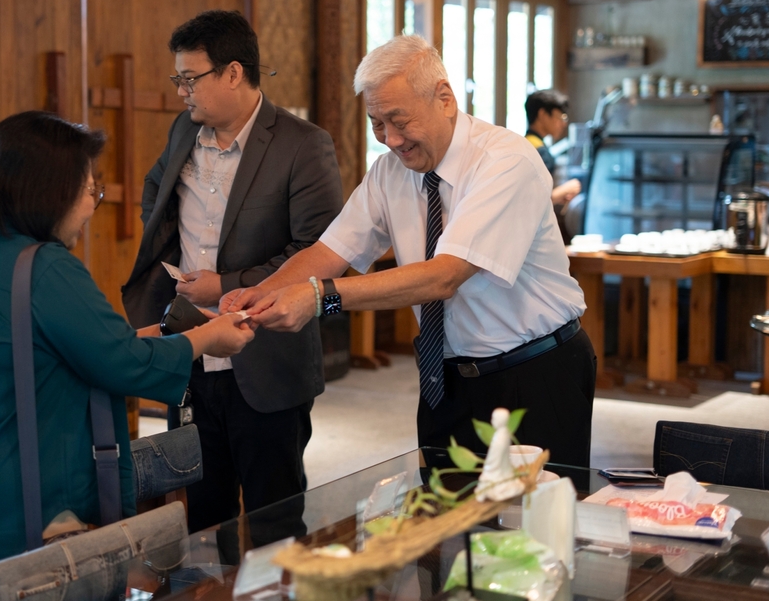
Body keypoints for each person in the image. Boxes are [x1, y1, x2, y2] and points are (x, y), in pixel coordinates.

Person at [224, 35, 596, 467]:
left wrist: (319, 297)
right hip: (446, 376)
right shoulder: (389, 173)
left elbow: (443, 276)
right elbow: (330, 250)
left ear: (445, 99)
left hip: (534, 371)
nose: (391, 139)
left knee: (531, 525)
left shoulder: (505, 161)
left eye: (399, 120)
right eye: (376, 123)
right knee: (442, 515)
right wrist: (257, 296)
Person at [0, 111, 254, 593]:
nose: (92, 203)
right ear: (49, 191)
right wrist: (210, 338)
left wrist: (170, 332)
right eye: (88, 189)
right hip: (24, 501)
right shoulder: (43, 265)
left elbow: (80, 350)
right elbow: (125, 365)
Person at [122, 10, 343, 543]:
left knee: (275, 517)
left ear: (233, 73)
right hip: (192, 349)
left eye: (188, 78)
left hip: (266, 358)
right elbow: (156, 194)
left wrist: (225, 283)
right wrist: (170, 258)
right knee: (203, 514)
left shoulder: (302, 144)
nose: (180, 92)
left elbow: (320, 250)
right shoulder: (184, 132)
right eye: (177, 79)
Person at [524, 89, 582, 213]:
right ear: (543, 115)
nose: (563, 123)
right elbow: (532, 200)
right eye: (560, 117)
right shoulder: (540, 152)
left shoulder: (525, 143)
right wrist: (564, 190)